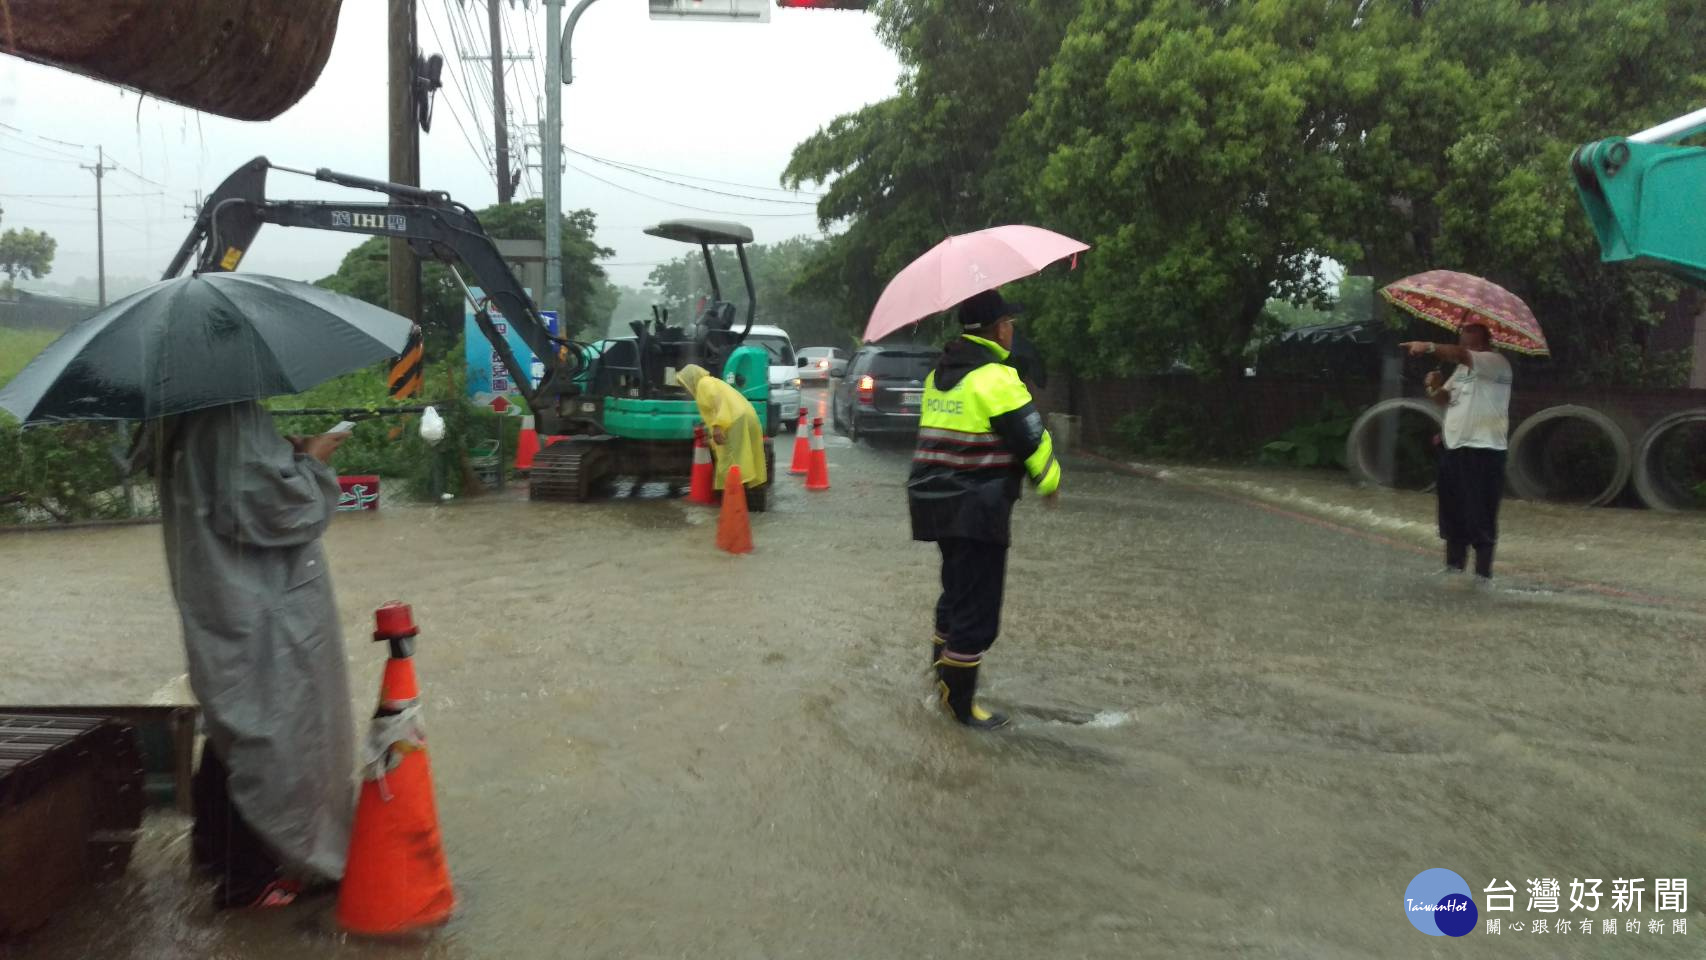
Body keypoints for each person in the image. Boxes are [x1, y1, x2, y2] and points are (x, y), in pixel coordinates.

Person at [137, 401, 356, 909]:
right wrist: (314, 461)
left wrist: (282, 455)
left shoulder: (179, 416)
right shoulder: (229, 415)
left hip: (220, 598)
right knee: (277, 733)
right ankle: (255, 878)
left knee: (237, 721)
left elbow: (238, 484)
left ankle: (215, 851)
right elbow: (269, 509)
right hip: (261, 606)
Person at [907, 289, 1062, 730]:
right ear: (999, 329)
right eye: (1010, 322)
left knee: (955, 592)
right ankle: (961, 707)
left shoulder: (941, 375)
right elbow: (1031, 440)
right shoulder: (996, 378)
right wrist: (1050, 483)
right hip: (978, 510)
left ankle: (941, 676)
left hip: (935, 505)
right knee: (978, 610)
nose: (1013, 329)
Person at [1402, 322, 1513, 583]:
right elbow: (1444, 400)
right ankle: (1454, 569)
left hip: (1483, 450)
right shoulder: (1462, 370)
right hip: (1454, 448)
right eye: (1462, 336)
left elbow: (1460, 354)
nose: (1463, 341)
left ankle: (1482, 576)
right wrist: (1434, 387)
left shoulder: (1494, 362)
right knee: (1452, 512)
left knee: (1480, 514)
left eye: (1469, 336)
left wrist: (1428, 346)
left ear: (1483, 339)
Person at [678, 364, 767, 491]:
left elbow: (719, 402)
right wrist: (710, 438)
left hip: (736, 419)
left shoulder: (703, 384)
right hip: (745, 416)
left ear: (691, 379)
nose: (685, 389)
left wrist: (718, 426)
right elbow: (714, 411)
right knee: (742, 460)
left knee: (731, 463)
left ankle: (733, 501)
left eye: (684, 384)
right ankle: (741, 498)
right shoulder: (711, 382)